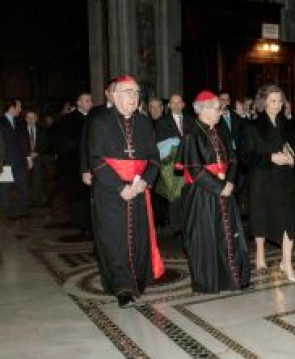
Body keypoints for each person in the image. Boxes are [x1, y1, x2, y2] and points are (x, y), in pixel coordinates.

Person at [88, 75, 163, 308]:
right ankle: (121, 286)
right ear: (115, 95)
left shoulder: (143, 122)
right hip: (111, 192)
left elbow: (154, 159)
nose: (134, 97)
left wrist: (145, 182)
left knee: (138, 237)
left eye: (136, 92)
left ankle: (137, 281)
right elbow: (96, 160)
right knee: (114, 239)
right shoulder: (101, 122)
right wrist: (120, 187)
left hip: (138, 189)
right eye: (128, 92)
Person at [175, 90, 250, 294]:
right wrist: (220, 187)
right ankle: (210, 282)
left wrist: (230, 183)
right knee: (206, 239)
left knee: (227, 236)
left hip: (224, 191)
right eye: (218, 108)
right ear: (205, 110)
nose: (221, 112)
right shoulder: (192, 134)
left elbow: (232, 159)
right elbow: (196, 171)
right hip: (202, 196)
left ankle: (231, 278)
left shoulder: (219, 130)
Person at [242, 84, 295, 282]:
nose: (277, 105)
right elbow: (246, 156)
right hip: (262, 180)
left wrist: (294, 160)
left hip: (284, 180)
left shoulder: (288, 124)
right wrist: (270, 158)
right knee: (261, 217)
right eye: (273, 101)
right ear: (264, 102)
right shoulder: (252, 126)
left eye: (279, 100)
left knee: (289, 221)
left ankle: (287, 263)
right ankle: (259, 254)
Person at [155, 94, 194, 236]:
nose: (177, 105)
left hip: (189, 163)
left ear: (183, 104)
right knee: (174, 196)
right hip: (170, 164)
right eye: (173, 103)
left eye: (179, 102)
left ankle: (187, 224)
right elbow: (159, 145)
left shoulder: (191, 121)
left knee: (187, 195)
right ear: (169, 105)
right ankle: (176, 228)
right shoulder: (162, 122)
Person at [56, 93, 93, 235]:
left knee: (89, 195)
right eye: (87, 100)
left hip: (91, 162)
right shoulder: (68, 119)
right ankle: (81, 224)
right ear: (78, 102)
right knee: (78, 195)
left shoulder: (94, 117)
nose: (90, 102)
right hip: (74, 163)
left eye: (91, 100)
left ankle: (90, 223)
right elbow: (64, 143)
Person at [0, 98, 29, 220]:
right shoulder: (0, 122)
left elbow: (25, 142)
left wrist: (28, 157)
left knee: (23, 187)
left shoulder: (21, 123)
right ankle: (8, 213)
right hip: (5, 162)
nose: (20, 109)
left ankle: (22, 211)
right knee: (5, 189)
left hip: (20, 161)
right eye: (19, 107)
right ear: (11, 108)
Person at [25, 109, 50, 206]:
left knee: (38, 179)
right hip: (25, 158)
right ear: (26, 119)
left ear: (36, 119)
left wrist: (37, 153)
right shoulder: (21, 130)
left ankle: (36, 199)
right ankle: (27, 199)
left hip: (38, 158)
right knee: (26, 180)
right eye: (28, 118)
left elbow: (46, 144)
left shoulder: (42, 130)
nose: (30, 120)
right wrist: (27, 154)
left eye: (32, 118)